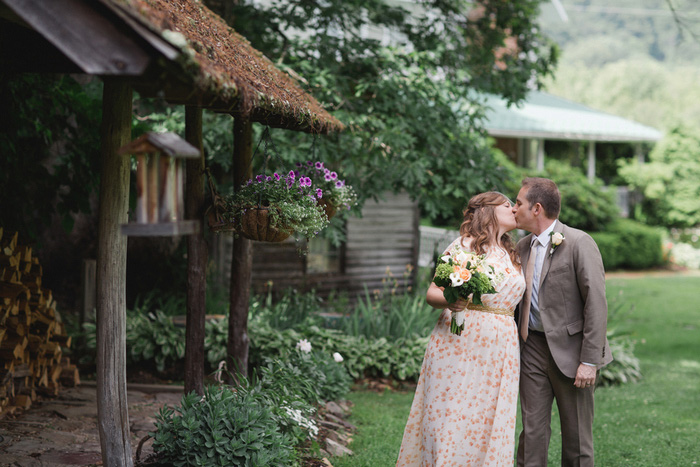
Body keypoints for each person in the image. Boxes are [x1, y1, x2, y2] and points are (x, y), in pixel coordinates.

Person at [396, 191, 525, 466]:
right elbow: (433, 293)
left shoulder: (513, 252)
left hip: (501, 347)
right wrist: (453, 300)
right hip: (459, 341)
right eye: (507, 205)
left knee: (488, 416)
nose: (514, 209)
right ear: (487, 211)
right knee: (452, 414)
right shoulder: (464, 245)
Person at [512, 177, 613, 467]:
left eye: (519, 203)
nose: (513, 208)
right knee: (531, 433)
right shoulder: (522, 247)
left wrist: (589, 360)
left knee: (577, 438)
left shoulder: (580, 243)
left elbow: (596, 302)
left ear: (537, 209)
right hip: (532, 348)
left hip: (573, 350)